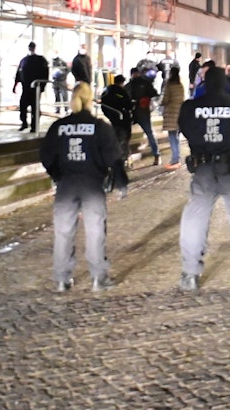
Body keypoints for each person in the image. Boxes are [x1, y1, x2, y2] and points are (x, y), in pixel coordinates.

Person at [176, 65, 230, 291]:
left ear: (204, 83)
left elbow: (185, 129)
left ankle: (190, 273)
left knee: (195, 219)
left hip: (203, 168)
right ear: (225, 83)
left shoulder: (190, 107)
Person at [40, 82, 123, 292]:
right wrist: (119, 180)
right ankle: (98, 277)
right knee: (95, 230)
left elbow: (46, 155)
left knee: (63, 232)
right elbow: (113, 156)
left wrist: (57, 174)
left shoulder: (59, 127)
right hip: (92, 184)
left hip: (66, 184)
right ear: (90, 100)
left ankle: (61, 278)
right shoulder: (99, 127)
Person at [13, 42, 50, 132]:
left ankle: (34, 126)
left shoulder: (40, 60)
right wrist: (15, 85)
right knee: (23, 106)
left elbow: (45, 73)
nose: (31, 49)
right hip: (25, 88)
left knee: (35, 108)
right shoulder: (24, 60)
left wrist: (42, 86)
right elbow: (18, 73)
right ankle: (24, 123)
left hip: (35, 88)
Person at [127, 66, 160, 154]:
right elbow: (154, 93)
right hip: (142, 111)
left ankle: (156, 154)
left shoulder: (130, 85)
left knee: (127, 135)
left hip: (135, 112)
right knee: (149, 133)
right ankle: (156, 154)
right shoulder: (145, 83)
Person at [158, 64, 186, 168]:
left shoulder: (169, 85)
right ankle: (177, 158)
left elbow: (165, 99)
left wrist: (161, 103)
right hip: (179, 113)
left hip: (170, 114)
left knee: (172, 137)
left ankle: (175, 159)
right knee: (177, 137)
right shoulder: (180, 85)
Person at [98, 74, 134, 152]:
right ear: (122, 82)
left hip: (111, 119)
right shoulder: (121, 91)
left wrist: (108, 114)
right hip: (123, 120)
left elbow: (103, 106)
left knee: (114, 138)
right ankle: (123, 157)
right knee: (123, 139)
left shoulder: (106, 91)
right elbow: (128, 105)